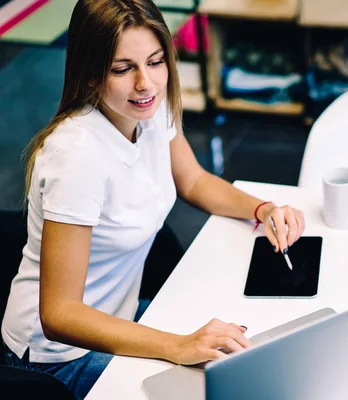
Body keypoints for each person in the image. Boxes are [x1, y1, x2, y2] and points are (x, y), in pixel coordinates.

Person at [0, 1, 305, 398]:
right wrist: (176, 346)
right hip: (58, 357)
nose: (146, 83)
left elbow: (193, 180)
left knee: (245, 352)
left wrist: (261, 209)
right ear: (90, 75)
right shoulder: (76, 157)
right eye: (123, 69)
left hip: (118, 320)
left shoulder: (150, 110)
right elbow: (60, 315)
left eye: (156, 61)